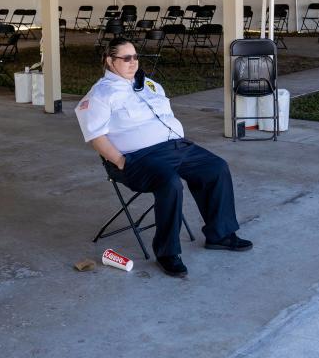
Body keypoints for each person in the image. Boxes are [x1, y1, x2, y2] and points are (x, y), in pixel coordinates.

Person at [75, 36, 251, 277]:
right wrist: (121, 162)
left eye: (135, 57)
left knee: (216, 167)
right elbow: (96, 137)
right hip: (136, 158)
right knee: (170, 183)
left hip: (175, 147)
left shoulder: (149, 85)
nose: (133, 62)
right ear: (109, 61)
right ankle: (168, 253)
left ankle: (220, 235)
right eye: (126, 58)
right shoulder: (100, 94)